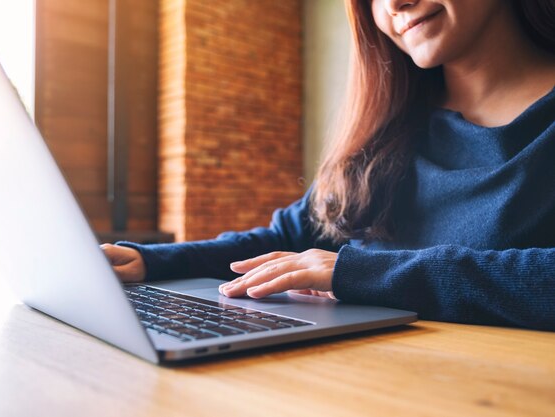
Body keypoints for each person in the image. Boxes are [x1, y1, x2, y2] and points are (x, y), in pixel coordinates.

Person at [102, 0, 555, 331]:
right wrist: (148, 261)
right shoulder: (391, 133)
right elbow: (289, 238)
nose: (396, 4)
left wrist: (356, 273)